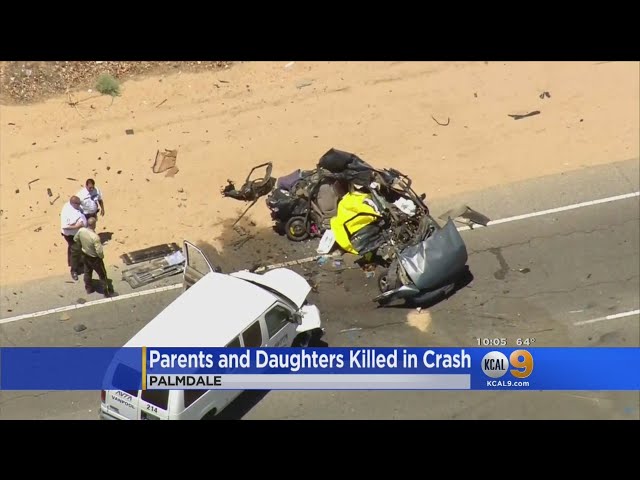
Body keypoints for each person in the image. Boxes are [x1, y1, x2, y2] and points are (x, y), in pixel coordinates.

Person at [74, 216, 111, 297]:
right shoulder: (95, 237)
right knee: (102, 275)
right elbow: (99, 251)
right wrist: (101, 257)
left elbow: (76, 239)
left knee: (87, 272)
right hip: (95, 259)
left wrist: (82, 247)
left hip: (85, 255)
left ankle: (89, 289)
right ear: (94, 224)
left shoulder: (81, 231)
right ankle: (106, 292)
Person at [60, 195, 87, 281]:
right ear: (73, 203)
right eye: (78, 204)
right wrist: (77, 226)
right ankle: (74, 270)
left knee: (72, 248)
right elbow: (65, 226)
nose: (79, 205)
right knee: (76, 250)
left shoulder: (74, 207)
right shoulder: (67, 212)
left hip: (77, 233)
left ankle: (72, 262)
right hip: (70, 235)